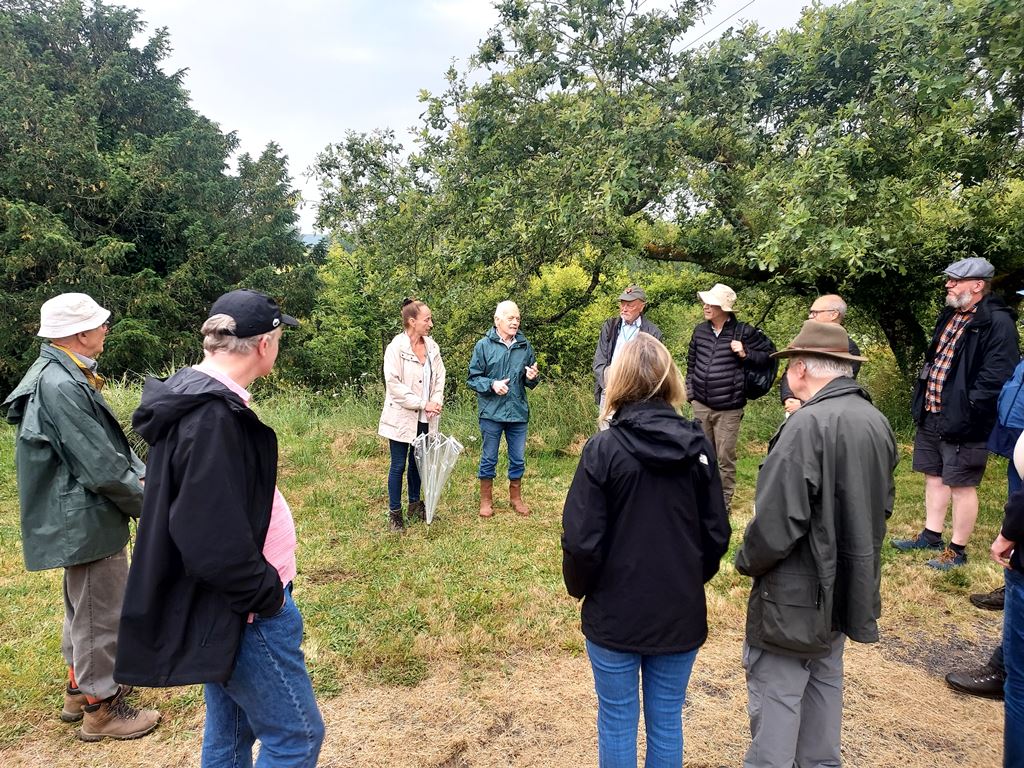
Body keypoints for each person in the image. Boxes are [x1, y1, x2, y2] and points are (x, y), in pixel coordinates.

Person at [115, 289, 324, 767]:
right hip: (245, 610)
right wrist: (266, 596)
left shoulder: (196, 395)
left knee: (229, 734)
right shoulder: (212, 417)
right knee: (296, 736)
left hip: (225, 604)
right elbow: (205, 535)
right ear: (265, 345)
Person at [563, 333, 731, 767]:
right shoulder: (688, 450)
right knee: (665, 720)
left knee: (621, 720)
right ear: (669, 380)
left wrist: (583, 589)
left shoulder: (688, 450)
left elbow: (581, 541)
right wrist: (686, 580)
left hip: (621, 612)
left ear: (618, 381)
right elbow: (716, 536)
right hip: (672, 609)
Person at [735, 320, 897, 768]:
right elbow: (883, 505)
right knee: (825, 682)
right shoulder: (876, 421)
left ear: (801, 368)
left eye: (790, 366)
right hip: (847, 583)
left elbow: (776, 525)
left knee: (779, 692)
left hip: (794, 592)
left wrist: (746, 560)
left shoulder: (806, 426)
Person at [2, 292, 159, 741]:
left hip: (77, 511)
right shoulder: (60, 384)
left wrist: (142, 478)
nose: (106, 329)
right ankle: (102, 709)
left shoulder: (60, 372)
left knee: (83, 608)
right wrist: (151, 506)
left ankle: (78, 690)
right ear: (79, 333)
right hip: (85, 515)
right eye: (100, 323)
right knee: (100, 614)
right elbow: (101, 465)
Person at [892, 257, 1019, 569]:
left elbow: (996, 375)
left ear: (977, 285)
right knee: (934, 474)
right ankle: (930, 535)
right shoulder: (950, 313)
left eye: (956, 280)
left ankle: (957, 551)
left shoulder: (997, 322)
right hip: (933, 409)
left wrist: (970, 408)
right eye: (949, 279)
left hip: (967, 418)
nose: (948, 284)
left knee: (961, 483)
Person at [686, 282, 774, 511]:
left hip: (729, 408)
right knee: (701, 454)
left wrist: (746, 353)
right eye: (705, 302)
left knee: (725, 458)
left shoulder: (744, 332)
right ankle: (701, 499)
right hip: (701, 405)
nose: (705, 306)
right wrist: (691, 395)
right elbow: (691, 364)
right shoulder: (700, 331)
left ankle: (722, 504)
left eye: (711, 303)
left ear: (723, 308)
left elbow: (769, 357)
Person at [467, 300, 540, 518]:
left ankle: (516, 498)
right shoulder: (483, 346)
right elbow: (473, 378)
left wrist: (532, 377)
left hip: (518, 412)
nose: (515, 322)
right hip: (491, 412)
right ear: (497, 320)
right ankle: (486, 499)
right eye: (511, 318)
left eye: (518, 318)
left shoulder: (525, 346)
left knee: (517, 458)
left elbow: (531, 381)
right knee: (489, 457)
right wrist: (491, 384)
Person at [378, 298, 446, 531]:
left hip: (426, 418)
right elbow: (394, 386)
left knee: (419, 462)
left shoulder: (432, 347)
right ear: (412, 321)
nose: (431, 324)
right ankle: (395, 514)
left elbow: (439, 378)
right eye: (427, 319)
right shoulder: (396, 348)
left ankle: (415, 505)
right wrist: (422, 403)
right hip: (401, 417)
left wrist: (435, 401)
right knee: (398, 465)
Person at [780, 294, 861, 415]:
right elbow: (789, 371)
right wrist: (788, 398)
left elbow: (840, 386)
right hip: (795, 412)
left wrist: (803, 404)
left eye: (815, 312)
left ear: (833, 314)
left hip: (826, 413)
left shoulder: (848, 348)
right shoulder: (805, 341)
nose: (810, 316)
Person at [592, 284, 662, 410]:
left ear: (641, 307)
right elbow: (599, 361)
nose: (624, 309)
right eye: (622, 304)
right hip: (610, 390)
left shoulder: (652, 332)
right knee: (607, 428)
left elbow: (654, 368)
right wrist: (608, 384)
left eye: (629, 305)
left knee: (632, 429)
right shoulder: (610, 326)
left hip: (637, 395)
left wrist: (637, 389)